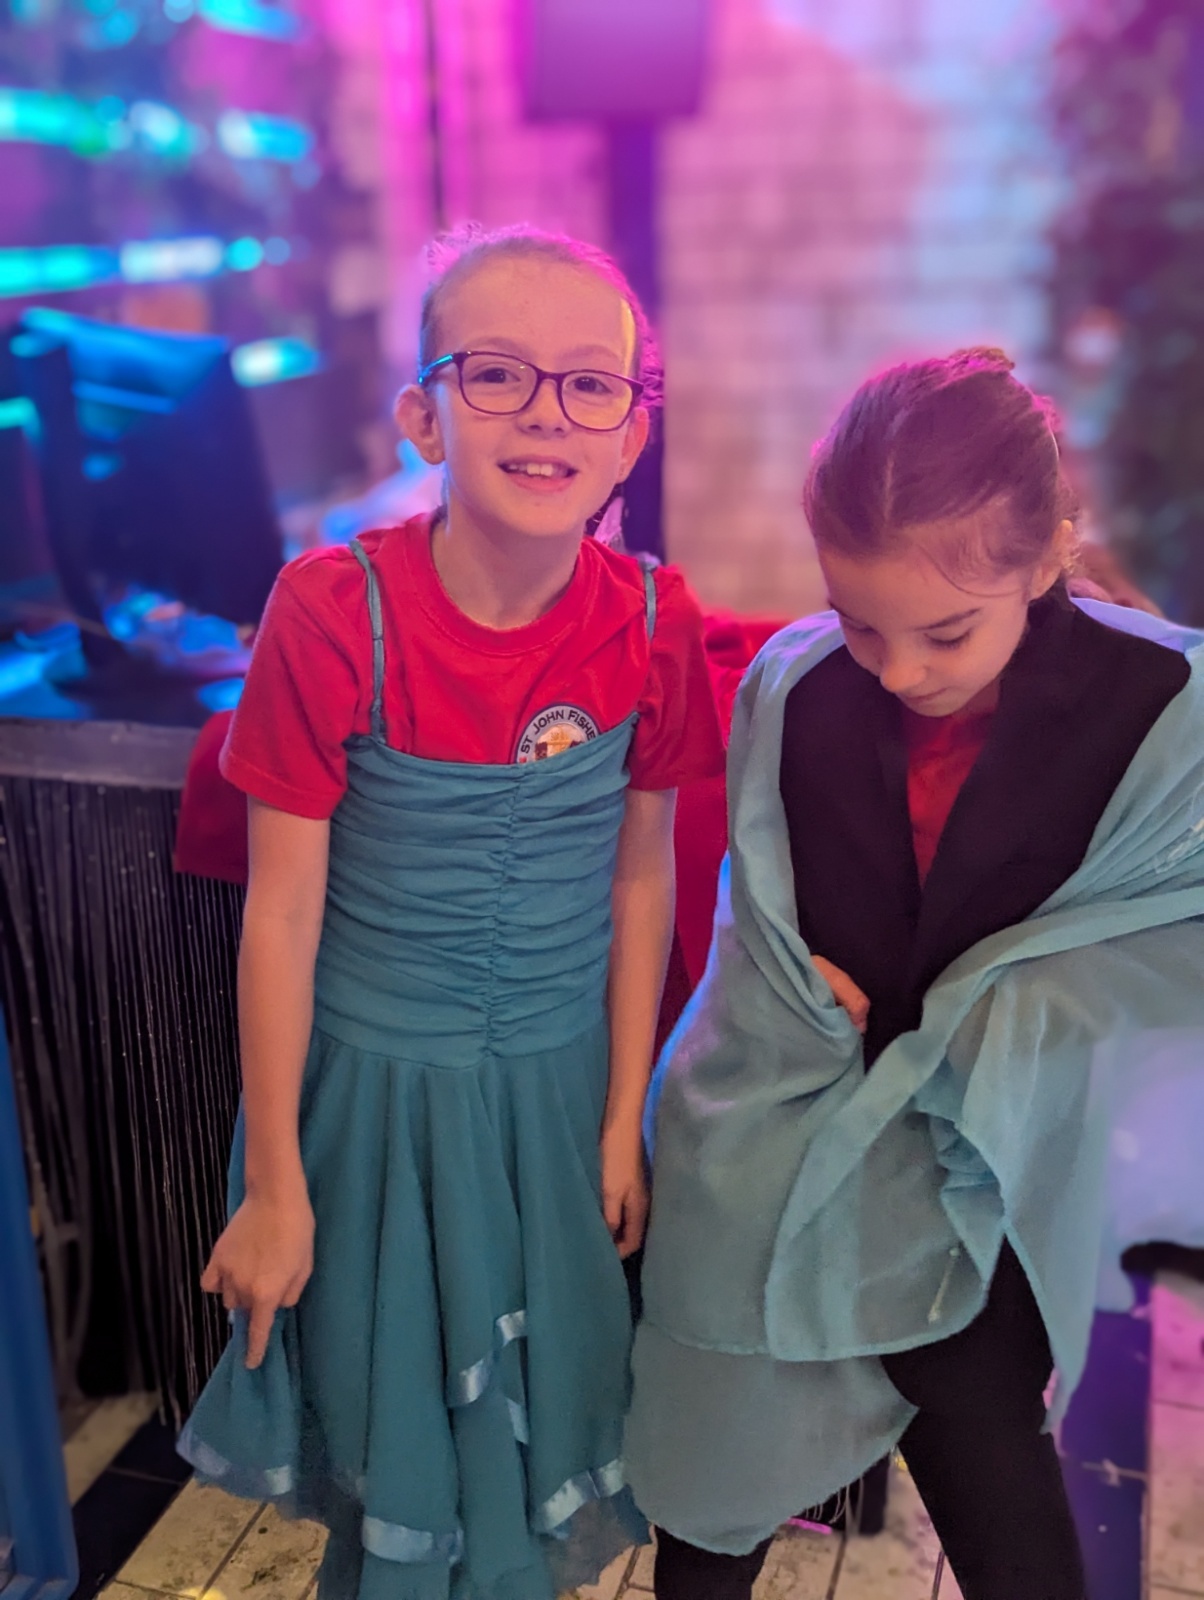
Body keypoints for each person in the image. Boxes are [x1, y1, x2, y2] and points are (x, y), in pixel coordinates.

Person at [177, 223, 725, 1600]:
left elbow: (642, 872)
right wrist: (276, 1185)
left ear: (631, 435)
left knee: (531, 1448)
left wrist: (624, 1114)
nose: (546, 412)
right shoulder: (328, 611)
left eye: (589, 384)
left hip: (558, 1098)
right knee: (394, 1441)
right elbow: (280, 917)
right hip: (373, 1109)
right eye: (495, 373)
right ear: (423, 416)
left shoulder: (654, 618)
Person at [624, 348, 1204, 1600]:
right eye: (856, 621)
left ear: (1048, 554)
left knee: (989, 1461)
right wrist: (785, 989)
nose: (895, 671)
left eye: (946, 632)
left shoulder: (1163, 706)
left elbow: (1172, 922)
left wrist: (1037, 1009)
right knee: (712, 1479)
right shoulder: (796, 684)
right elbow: (753, 909)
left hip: (977, 1169)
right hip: (790, 1137)